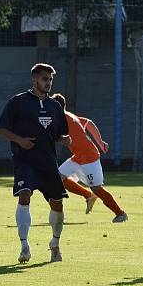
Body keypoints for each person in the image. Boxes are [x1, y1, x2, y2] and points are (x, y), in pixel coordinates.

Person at [0, 63, 71, 264]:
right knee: (24, 196)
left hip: (47, 162)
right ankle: (24, 246)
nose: (48, 83)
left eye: (51, 79)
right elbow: (1, 129)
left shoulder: (55, 106)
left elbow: (58, 133)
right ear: (34, 79)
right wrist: (20, 140)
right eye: (45, 79)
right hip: (24, 161)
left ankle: (55, 244)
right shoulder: (18, 102)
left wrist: (63, 139)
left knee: (57, 204)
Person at [51, 93, 128, 224]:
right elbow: (89, 123)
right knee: (58, 178)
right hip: (78, 157)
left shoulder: (62, 119)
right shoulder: (70, 115)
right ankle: (87, 196)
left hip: (89, 158)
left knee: (97, 188)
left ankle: (120, 213)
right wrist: (100, 142)